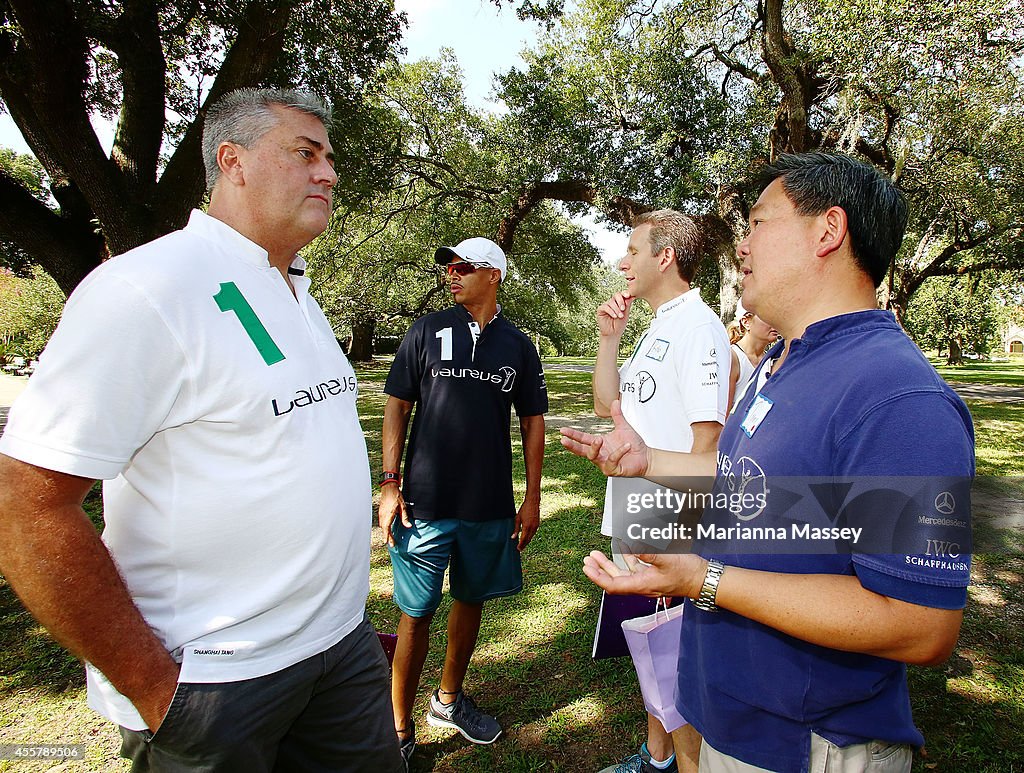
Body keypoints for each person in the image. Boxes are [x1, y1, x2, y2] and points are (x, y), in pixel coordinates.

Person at [0, 88, 404, 772]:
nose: (329, 172)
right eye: (305, 153)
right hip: (219, 685)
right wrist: (161, 692)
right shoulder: (145, 289)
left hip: (340, 655)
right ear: (232, 161)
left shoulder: (295, 289)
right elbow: (25, 504)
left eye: (330, 158)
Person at [561, 152, 974, 773]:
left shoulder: (898, 396)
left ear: (827, 231)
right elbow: (746, 484)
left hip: (807, 746)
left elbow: (921, 626)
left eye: (757, 222)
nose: (741, 245)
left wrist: (703, 580)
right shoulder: (782, 363)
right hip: (730, 719)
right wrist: (650, 459)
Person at [379, 237, 548, 765]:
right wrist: (389, 482)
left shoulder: (518, 345)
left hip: (489, 503)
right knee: (414, 615)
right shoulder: (426, 330)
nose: (451, 275)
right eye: (448, 268)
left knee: (470, 600)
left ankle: (448, 699)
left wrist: (532, 497)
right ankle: (398, 733)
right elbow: (396, 404)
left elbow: (533, 421)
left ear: (493, 275)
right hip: (423, 504)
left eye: (463, 268)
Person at [592, 210, 732, 773]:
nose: (623, 262)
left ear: (665, 256)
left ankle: (687, 764)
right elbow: (609, 406)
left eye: (632, 249)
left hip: (673, 522)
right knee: (654, 650)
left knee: (679, 659)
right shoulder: (658, 323)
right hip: (637, 514)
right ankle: (657, 758)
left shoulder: (698, 328)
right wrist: (609, 340)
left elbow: (707, 454)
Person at [728, 300, 778, 409]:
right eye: (766, 317)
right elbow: (724, 415)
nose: (775, 322)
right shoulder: (733, 358)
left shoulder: (773, 361)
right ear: (746, 322)